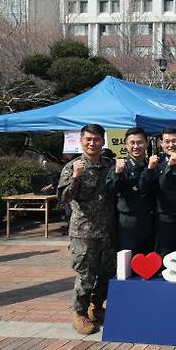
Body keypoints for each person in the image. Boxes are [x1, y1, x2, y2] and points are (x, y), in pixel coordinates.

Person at [57, 124, 115, 335]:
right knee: (86, 275)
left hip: (108, 230)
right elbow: (63, 198)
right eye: (88, 139)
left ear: (103, 141)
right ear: (81, 141)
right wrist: (76, 177)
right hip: (84, 232)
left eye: (96, 139)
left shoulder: (110, 165)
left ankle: (97, 307)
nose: (92, 143)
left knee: (107, 273)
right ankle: (79, 313)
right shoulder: (73, 166)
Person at [139, 128, 176, 256]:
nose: (171, 145)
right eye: (167, 141)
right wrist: (149, 169)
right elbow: (143, 188)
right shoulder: (156, 164)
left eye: (174, 141)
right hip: (165, 219)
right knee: (165, 256)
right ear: (162, 143)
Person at [107, 127, 155, 254]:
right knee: (127, 261)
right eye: (132, 143)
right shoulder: (120, 166)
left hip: (149, 220)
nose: (136, 146)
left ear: (146, 143)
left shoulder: (152, 165)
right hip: (128, 222)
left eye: (139, 142)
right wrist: (117, 173)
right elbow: (110, 191)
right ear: (126, 145)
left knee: (149, 258)